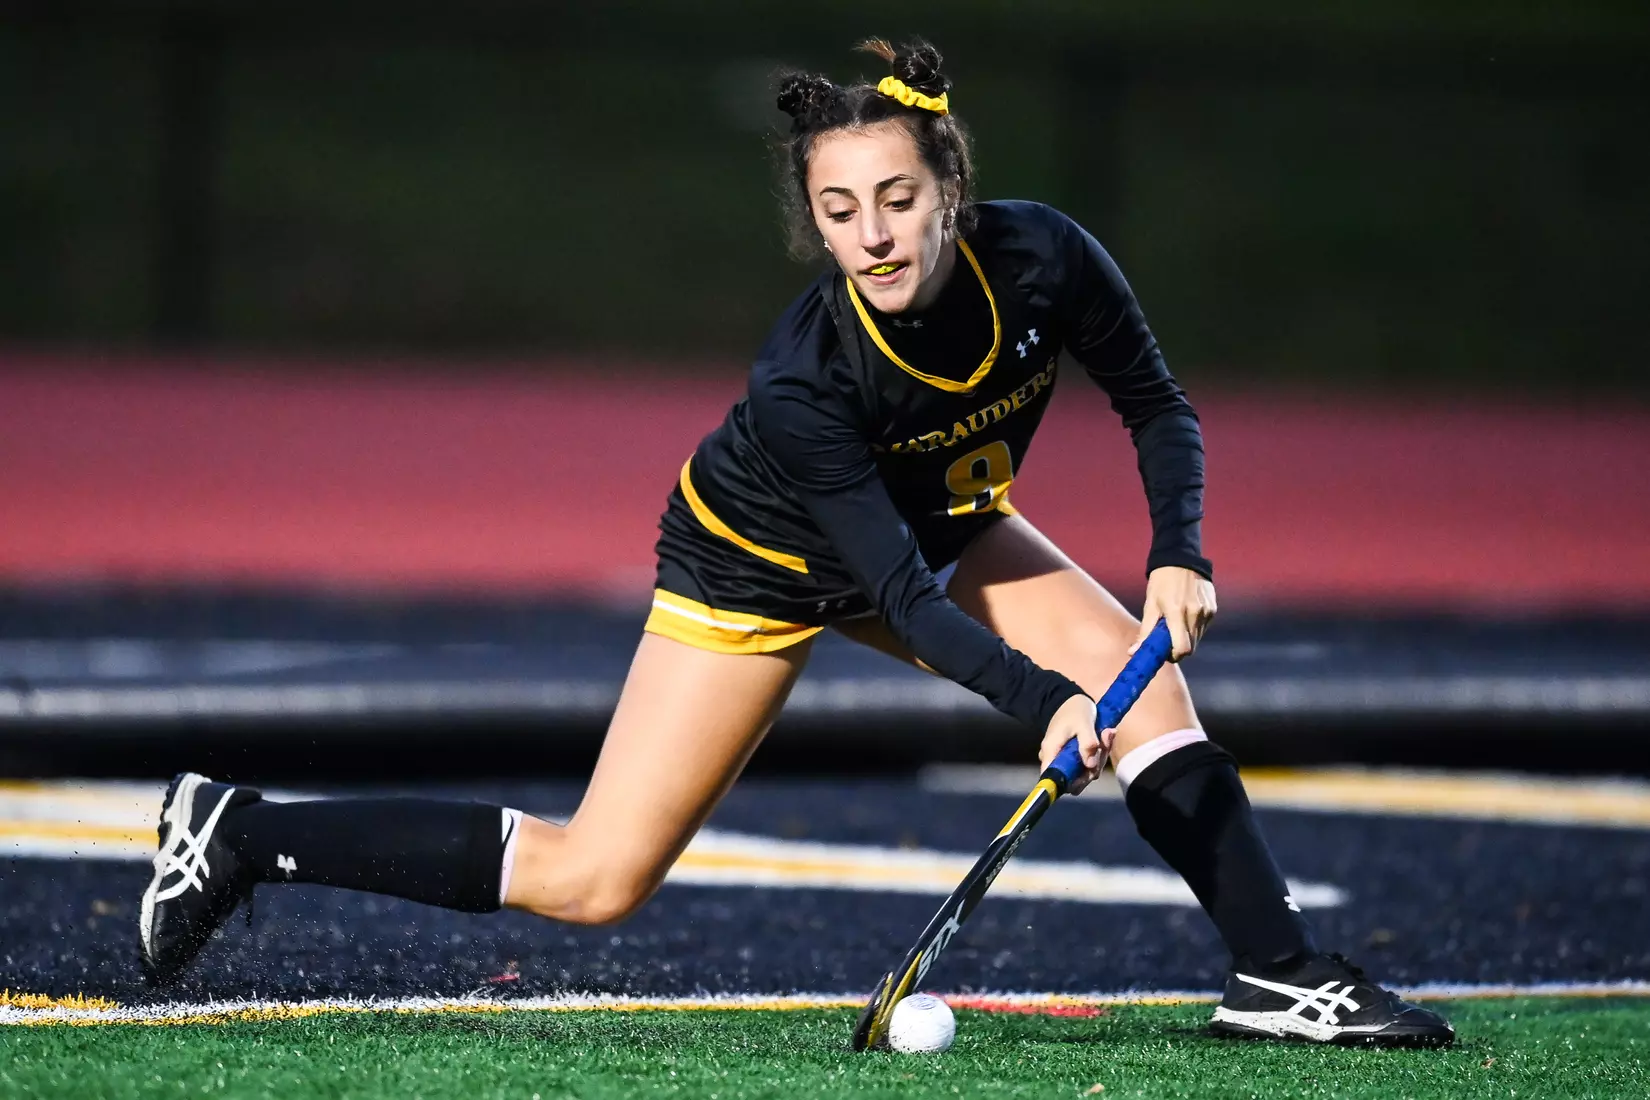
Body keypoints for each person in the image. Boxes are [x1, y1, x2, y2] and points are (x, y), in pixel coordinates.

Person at [139, 38, 1452, 1047]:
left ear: (952, 189)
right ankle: (240, 831)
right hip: (759, 566)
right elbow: (890, 591)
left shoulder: (1046, 260)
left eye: (896, 197)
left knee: (1143, 670)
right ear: (812, 219)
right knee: (594, 881)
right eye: (839, 211)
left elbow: (1156, 403)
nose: (872, 235)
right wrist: (1042, 703)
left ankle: (1280, 975)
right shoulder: (807, 380)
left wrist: (1180, 549)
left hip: (941, 524)